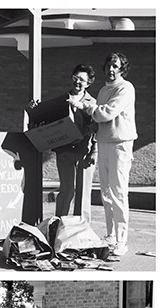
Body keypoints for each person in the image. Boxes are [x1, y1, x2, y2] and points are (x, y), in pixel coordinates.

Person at [68, 53, 137, 256]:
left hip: (120, 145)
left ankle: (122, 241)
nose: (111, 69)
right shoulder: (105, 89)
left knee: (118, 193)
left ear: (122, 69)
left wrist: (85, 106)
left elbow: (106, 112)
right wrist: (91, 129)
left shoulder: (125, 88)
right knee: (106, 193)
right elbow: (99, 120)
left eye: (115, 66)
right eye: (108, 65)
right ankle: (111, 236)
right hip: (105, 143)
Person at [54, 64, 97, 222]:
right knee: (66, 190)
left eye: (82, 79)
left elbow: (97, 128)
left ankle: (81, 230)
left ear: (88, 83)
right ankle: (58, 227)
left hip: (84, 152)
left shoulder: (93, 103)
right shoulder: (61, 100)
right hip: (64, 151)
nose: (77, 82)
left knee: (83, 193)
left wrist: (94, 151)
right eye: (75, 78)